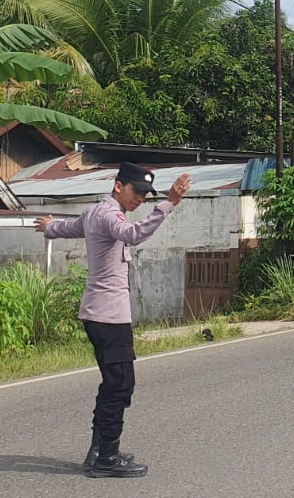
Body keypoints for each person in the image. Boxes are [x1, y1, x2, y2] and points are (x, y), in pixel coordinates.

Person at [35, 162, 192, 479]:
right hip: (108, 317)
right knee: (120, 384)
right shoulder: (109, 216)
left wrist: (51, 226)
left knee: (113, 383)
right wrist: (170, 202)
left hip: (101, 314)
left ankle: (100, 450)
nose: (140, 199)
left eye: (146, 196)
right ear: (119, 186)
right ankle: (106, 457)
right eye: (137, 192)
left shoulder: (95, 213)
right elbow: (132, 234)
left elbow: (71, 228)